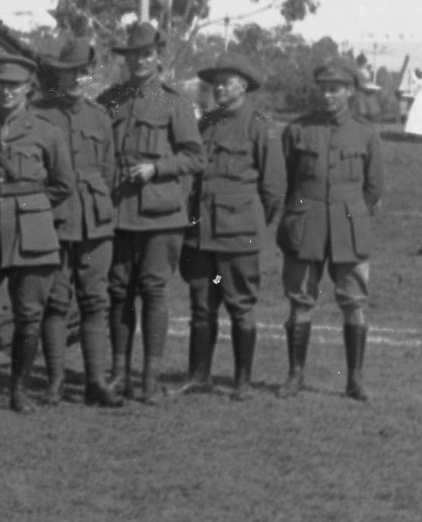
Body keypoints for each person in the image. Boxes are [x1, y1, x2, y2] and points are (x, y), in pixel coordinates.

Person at [0, 53, 76, 412]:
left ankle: (18, 390)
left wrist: (33, 205)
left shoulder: (47, 131)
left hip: (32, 230)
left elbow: (63, 184)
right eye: (0, 84)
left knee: (29, 312)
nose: (6, 91)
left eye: (14, 85)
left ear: (28, 89)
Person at [98, 21, 205, 403]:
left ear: (157, 57)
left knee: (154, 292)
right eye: (133, 55)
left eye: (146, 54)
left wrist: (155, 169)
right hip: (119, 213)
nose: (139, 61)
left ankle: (150, 380)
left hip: (161, 216)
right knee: (118, 292)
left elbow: (195, 156)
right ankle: (119, 375)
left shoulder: (173, 104)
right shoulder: (110, 100)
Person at [276, 59, 383, 401]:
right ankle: (295, 375)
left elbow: (374, 187)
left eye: (334, 89)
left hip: (349, 228)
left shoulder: (365, 134)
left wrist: (349, 211)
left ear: (350, 91)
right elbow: (286, 180)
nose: (327, 95)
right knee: (300, 301)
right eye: (322, 88)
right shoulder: (297, 131)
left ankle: (355, 379)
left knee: (354, 301)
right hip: (306, 224)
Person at [181, 52, 284, 399]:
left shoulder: (259, 125)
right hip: (202, 237)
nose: (219, 88)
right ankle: (199, 376)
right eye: (216, 83)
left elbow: (273, 190)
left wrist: (249, 224)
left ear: (242, 86)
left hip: (237, 238)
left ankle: (242, 380)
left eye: (226, 83)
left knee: (240, 306)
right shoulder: (204, 125)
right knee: (202, 306)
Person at [32, 35, 123, 407]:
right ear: (57, 76)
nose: (75, 80)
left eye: (81, 74)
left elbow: (110, 172)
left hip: (95, 222)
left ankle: (95, 382)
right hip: (54, 219)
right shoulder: (38, 115)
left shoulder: (99, 117)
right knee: (55, 301)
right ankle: (54, 381)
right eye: (67, 74)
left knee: (94, 301)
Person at [399, 65, 422, 140]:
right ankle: (419, 133)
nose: (419, 75)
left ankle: (415, 133)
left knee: (415, 116)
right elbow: (416, 87)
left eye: (420, 74)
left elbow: (416, 81)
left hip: (419, 101)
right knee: (420, 117)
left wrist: (411, 72)